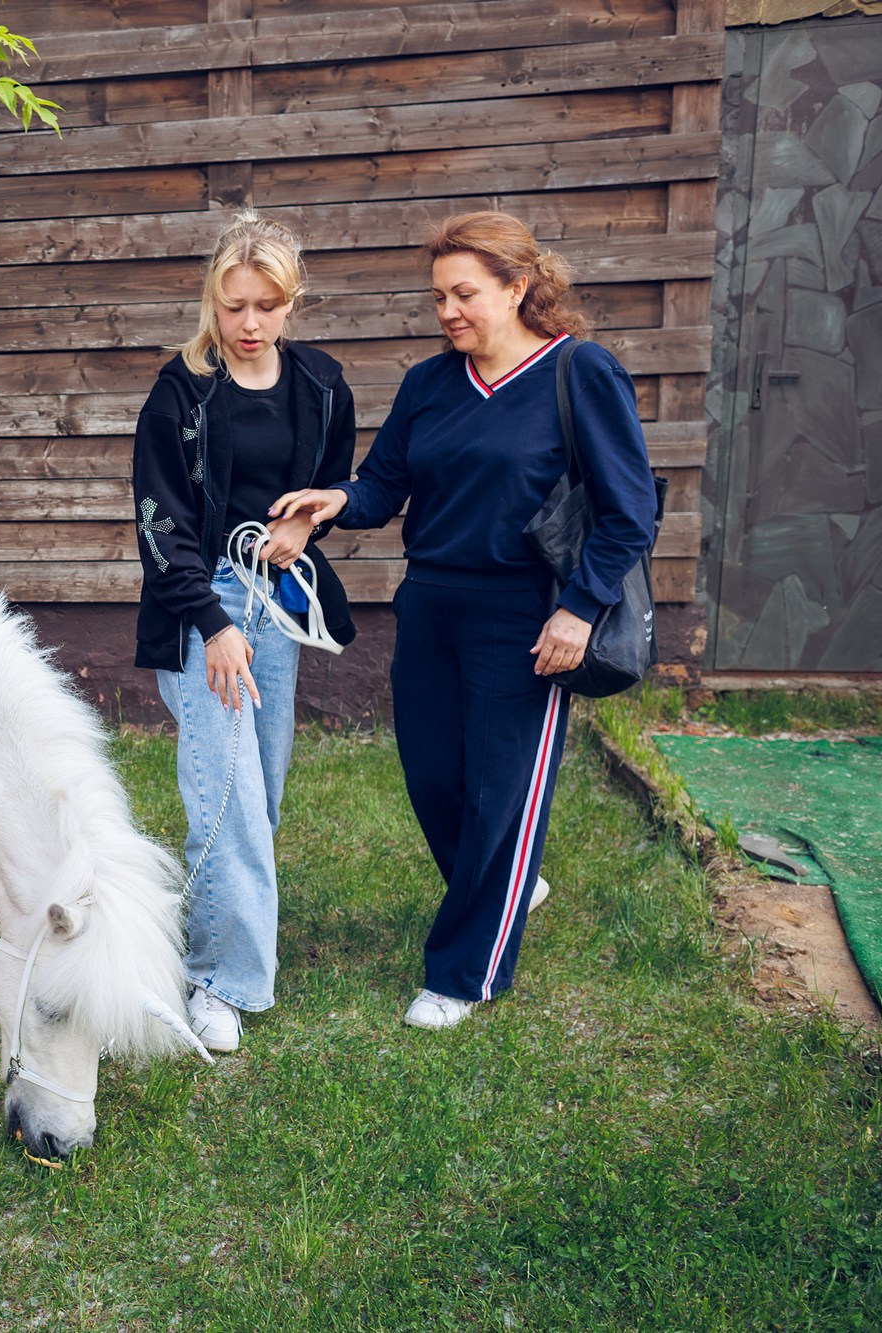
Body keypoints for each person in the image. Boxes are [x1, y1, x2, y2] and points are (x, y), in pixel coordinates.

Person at [274, 211, 658, 1030]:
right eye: (439, 295)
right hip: (432, 601)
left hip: (528, 613)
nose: (448, 311)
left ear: (519, 288)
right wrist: (334, 500)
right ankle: (511, 882)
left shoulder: (579, 372)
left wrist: (579, 608)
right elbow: (383, 485)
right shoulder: (430, 383)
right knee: (433, 776)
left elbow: (631, 511)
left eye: (465, 293)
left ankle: (462, 973)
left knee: (499, 793)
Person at [131, 211, 357, 1053]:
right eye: (234, 306)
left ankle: (205, 941)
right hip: (202, 602)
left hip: (278, 599)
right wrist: (210, 622)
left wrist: (303, 530)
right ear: (212, 303)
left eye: (267, 304)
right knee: (224, 797)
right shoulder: (181, 392)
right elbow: (159, 524)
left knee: (259, 787)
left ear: (291, 302)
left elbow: (326, 488)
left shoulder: (323, 386)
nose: (250, 323)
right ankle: (221, 982)